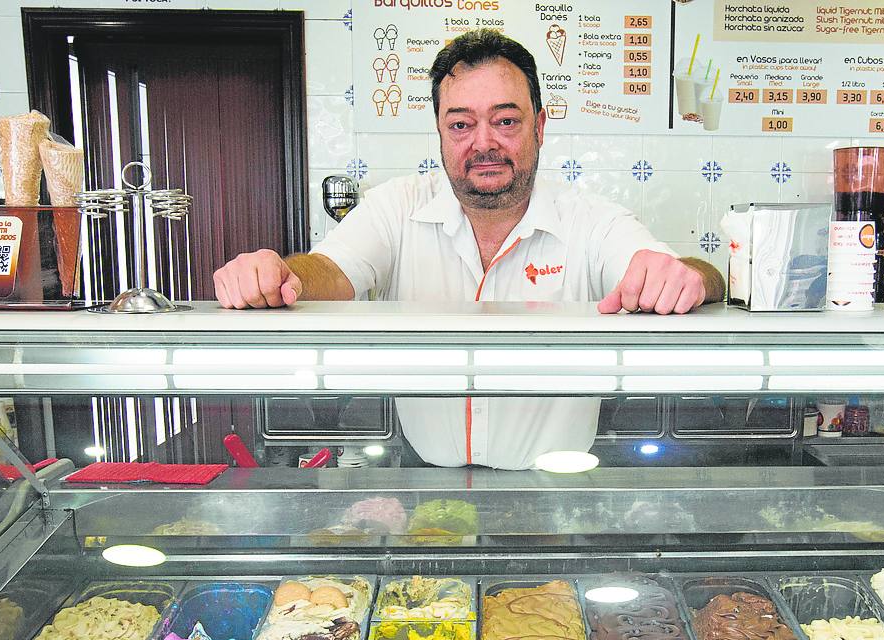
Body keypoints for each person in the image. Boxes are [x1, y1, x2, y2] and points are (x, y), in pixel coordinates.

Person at [214, 29, 725, 470]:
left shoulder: (590, 219)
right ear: (440, 131)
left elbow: (679, 270)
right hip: (422, 472)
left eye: (506, 120)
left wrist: (689, 277)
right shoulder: (396, 206)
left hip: (557, 480)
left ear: (540, 126)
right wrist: (281, 273)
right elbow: (332, 268)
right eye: (461, 124)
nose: (484, 142)